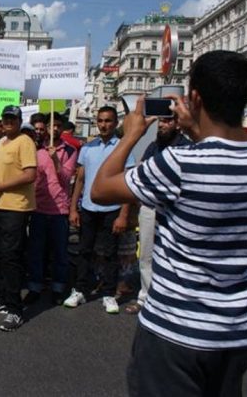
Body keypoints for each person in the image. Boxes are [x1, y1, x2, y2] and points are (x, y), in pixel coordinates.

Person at [92, 50, 247, 396]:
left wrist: (130, 134)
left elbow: (102, 188)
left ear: (194, 98)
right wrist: (198, 132)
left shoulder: (178, 164)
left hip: (175, 334)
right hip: (236, 333)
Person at [63, 106, 134, 314]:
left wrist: (123, 214)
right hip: (88, 208)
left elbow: (128, 183)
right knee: (85, 251)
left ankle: (109, 294)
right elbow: (80, 180)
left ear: (115, 123)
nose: (104, 125)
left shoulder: (122, 148)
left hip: (112, 208)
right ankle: (80, 290)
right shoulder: (87, 148)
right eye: (101, 120)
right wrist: (73, 209)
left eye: (108, 121)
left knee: (110, 254)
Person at [124, 115, 190, 315]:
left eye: (168, 121)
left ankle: (172, 302)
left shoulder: (186, 147)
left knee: (176, 256)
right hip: (150, 208)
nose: (162, 125)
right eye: (161, 121)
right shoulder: (154, 147)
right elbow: (141, 172)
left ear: (178, 124)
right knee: (146, 255)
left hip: (176, 210)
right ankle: (145, 298)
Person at [0, 105, 36, 332]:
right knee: (0, 255)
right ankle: (3, 301)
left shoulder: (25, 142)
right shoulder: (2, 143)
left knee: (11, 257)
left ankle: (16, 310)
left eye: (13, 118)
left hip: (16, 208)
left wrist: (0, 186)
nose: (9, 121)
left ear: (20, 120)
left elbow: (30, 174)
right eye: (6, 118)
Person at [25, 113, 77, 305]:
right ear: (46, 127)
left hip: (59, 211)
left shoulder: (70, 151)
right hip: (39, 209)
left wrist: (56, 159)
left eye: (58, 125)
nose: (54, 129)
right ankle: (34, 287)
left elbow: (65, 179)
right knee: (36, 251)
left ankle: (58, 287)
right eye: (51, 125)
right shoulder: (37, 151)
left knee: (60, 253)